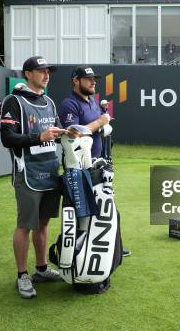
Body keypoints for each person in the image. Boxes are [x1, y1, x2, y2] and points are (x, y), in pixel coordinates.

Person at [0, 56, 66, 299]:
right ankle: (22, 275)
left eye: (48, 71)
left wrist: (67, 134)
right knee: (25, 225)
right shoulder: (13, 101)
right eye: (41, 71)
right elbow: (7, 138)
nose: (46, 75)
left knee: (44, 222)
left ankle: (41, 268)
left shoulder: (49, 101)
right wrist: (40, 137)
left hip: (50, 171)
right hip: (27, 172)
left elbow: (54, 133)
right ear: (28, 74)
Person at [58, 66, 131, 257]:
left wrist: (103, 125)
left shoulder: (93, 102)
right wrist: (100, 122)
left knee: (107, 208)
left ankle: (113, 247)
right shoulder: (69, 104)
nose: (93, 82)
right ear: (76, 80)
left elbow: (93, 128)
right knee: (82, 214)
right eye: (88, 78)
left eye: (94, 79)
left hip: (98, 164)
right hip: (79, 169)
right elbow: (73, 134)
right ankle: (78, 254)